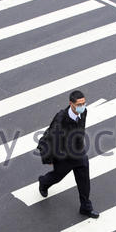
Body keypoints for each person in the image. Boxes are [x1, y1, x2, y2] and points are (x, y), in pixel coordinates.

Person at [38, 90, 99, 218]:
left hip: (79, 153)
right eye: (79, 104)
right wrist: (49, 159)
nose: (82, 106)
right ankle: (44, 182)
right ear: (71, 104)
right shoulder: (61, 119)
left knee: (84, 181)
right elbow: (50, 138)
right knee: (57, 176)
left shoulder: (84, 112)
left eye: (84, 103)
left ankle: (86, 207)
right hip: (64, 156)